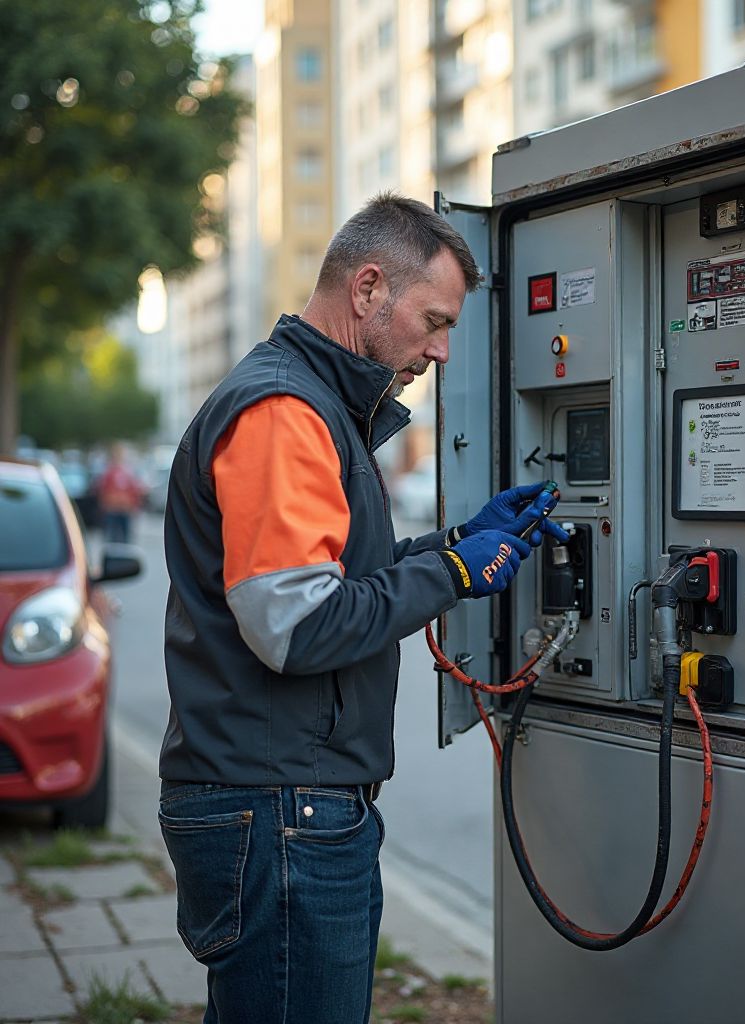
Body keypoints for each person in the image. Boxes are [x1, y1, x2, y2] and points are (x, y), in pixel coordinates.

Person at [158, 192, 567, 1024]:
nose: (442, 351)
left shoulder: (319, 407)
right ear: (369, 288)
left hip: (284, 800)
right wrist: (452, 570)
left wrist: (451, 544)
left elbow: (342, 582)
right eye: (434, 320)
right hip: (279, 808)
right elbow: (299, 626)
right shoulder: (284, 412)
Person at [96, 443, 145, 542]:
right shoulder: (108, 472)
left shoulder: (128, 472)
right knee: (111, 537)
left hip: (125, 510)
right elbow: (102, 490)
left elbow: (134, 491)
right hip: (112, 509)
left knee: (125, 538)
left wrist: (134, 506)